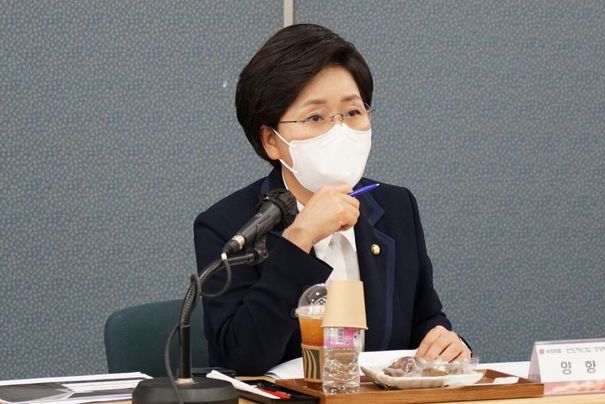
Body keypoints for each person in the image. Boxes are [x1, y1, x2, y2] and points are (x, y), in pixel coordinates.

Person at [194, 23, 471, 376]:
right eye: (315, 117)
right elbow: (241, 360)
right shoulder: (230, 226)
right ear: (271, 140)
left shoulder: (396, 207)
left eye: (353, 112)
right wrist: (299, 240)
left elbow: (425, 322)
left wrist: (445, 343)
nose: (339, 130)